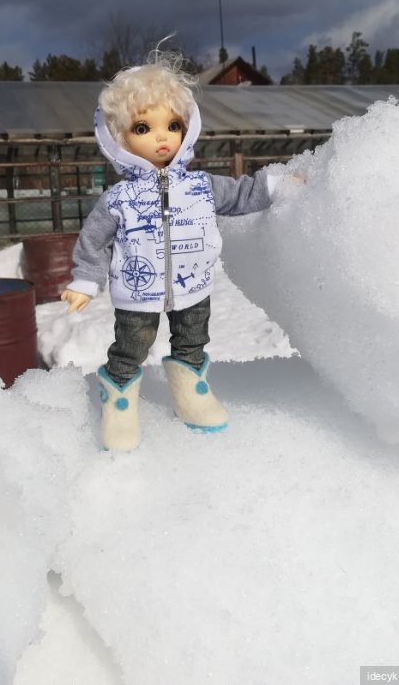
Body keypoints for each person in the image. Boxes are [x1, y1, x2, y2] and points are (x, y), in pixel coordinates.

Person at [61, 53, 279, 450]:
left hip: (193, 286)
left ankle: (190, 391)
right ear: (118, 137)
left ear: (187, 128)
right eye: (143, 127)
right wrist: (85, 280)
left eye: (173, 125)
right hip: (137, 291)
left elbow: (242, 194)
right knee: (131, 346)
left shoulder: (201, 186)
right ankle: (118, 397)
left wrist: (278, 184)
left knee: (192, 340)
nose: (162, 137)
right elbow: (94, 240)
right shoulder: (119, 198)